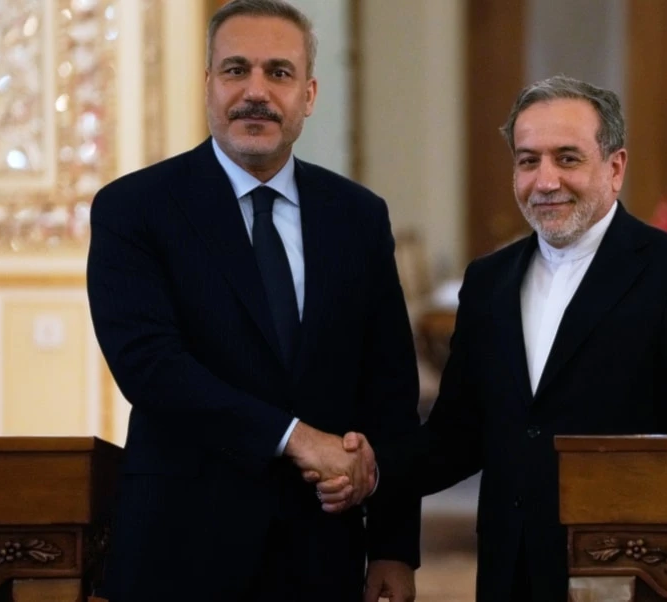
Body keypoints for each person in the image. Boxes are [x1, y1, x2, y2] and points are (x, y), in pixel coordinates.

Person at [313, 75, 667, 601]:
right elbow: (457, 435)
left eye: (567, 158)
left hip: (633, 575)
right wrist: (371, 468)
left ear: (615, 167)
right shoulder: (488, 281)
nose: (545, 181)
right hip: (509, 570)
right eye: (527, 160)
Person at [86, 1, 419, 600]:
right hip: (181, 546)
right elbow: (151, 368)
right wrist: (297, 437)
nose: (256, 92)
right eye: (236, 70)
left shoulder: (359, 217)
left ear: (310, 94)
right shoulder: (133, 209)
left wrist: (394, 546)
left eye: (279, 73)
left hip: (319, 553)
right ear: (208, 85)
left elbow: (389, 389)